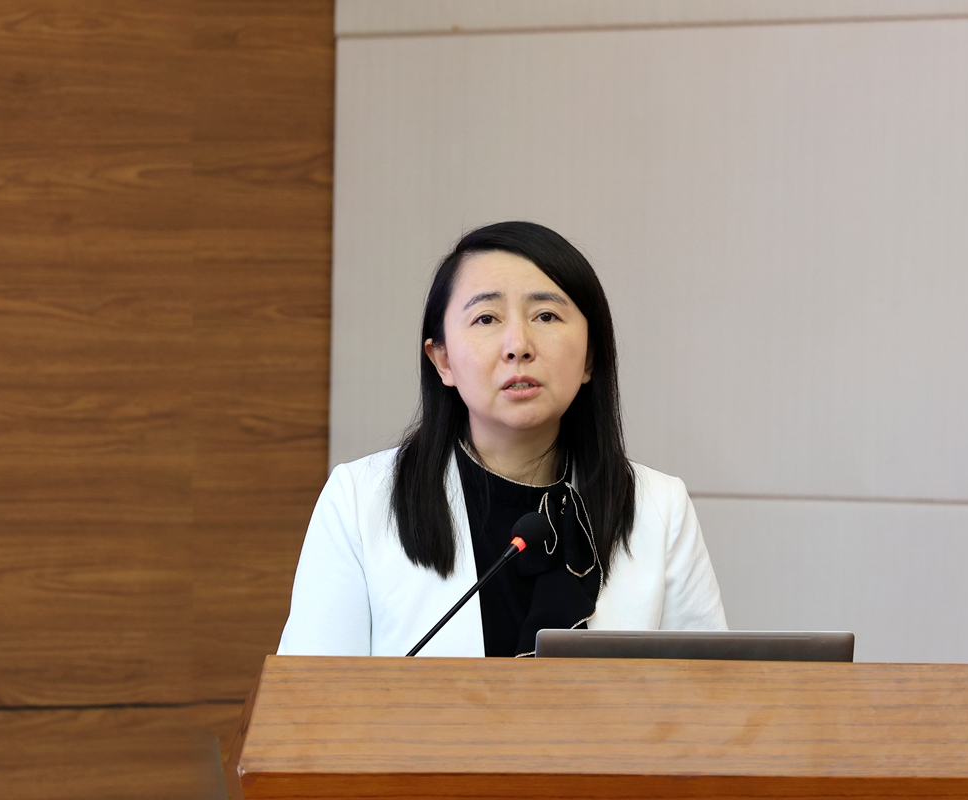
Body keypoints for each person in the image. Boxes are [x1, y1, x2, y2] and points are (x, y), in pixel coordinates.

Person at [278, 221, 726, 657]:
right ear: (443, 360)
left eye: (546, 315)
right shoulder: (360, 501)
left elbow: (711, 695)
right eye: (486, 318)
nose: (518, 345)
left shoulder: (659, 508)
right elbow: (312, 696)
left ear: (590, 356)